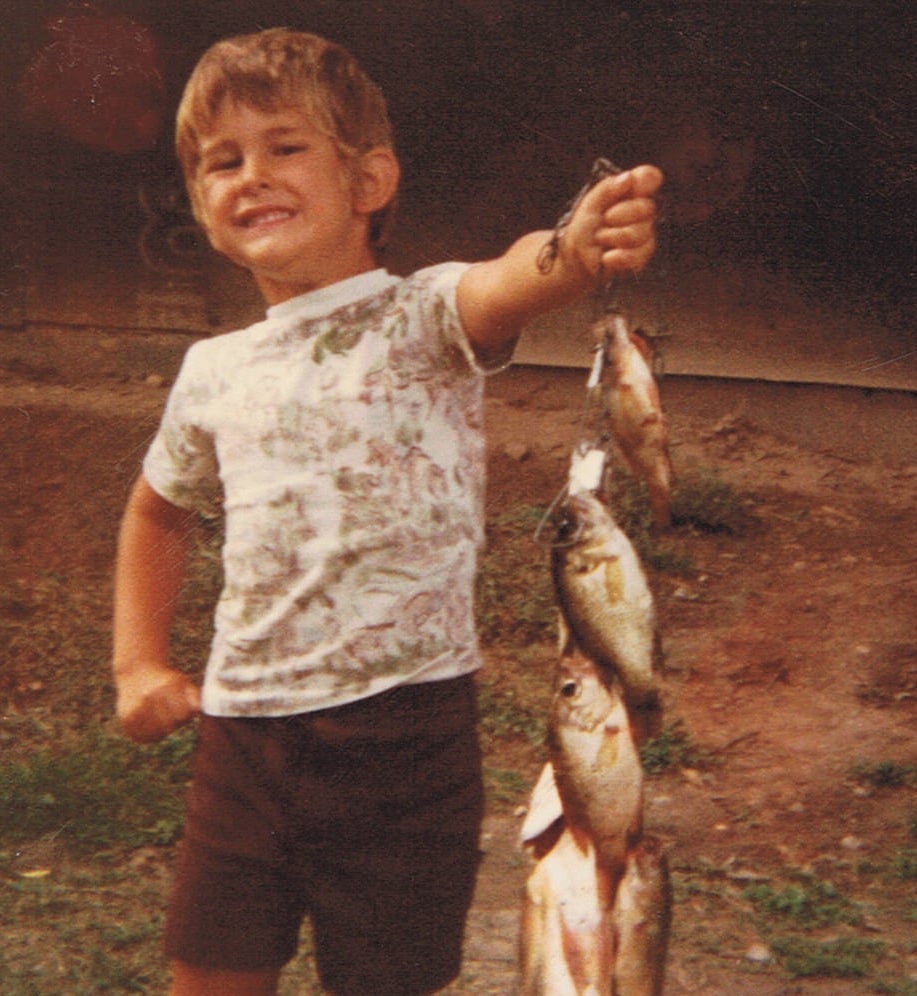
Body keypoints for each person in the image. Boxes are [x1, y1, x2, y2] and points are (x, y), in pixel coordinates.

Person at [112, 27, 662, 996]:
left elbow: (507, 280)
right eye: (220, 162)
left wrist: (573, 255)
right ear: (199, 205)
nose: (250, 176)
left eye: (284, 148)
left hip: (406, 744)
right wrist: (138, 661)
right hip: (245, 739)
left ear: (368, 181)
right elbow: (157, 511)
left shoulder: (423, 314)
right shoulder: (211, 372)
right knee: (207, 973)